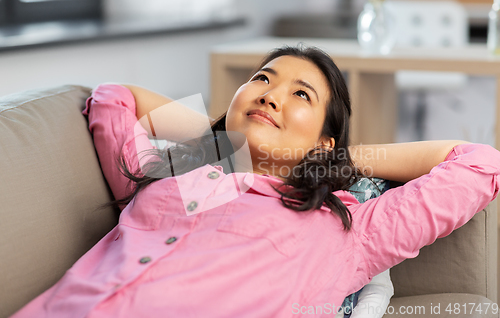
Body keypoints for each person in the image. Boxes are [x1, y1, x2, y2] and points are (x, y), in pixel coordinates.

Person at [10, 45, 500, 318]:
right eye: (263, 79)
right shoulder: (173, 178)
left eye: (301, 94)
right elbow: (112, 98)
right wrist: (223, 137)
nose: (270, 95)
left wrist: (331, 162)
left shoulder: (346, 230)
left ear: (325, 141)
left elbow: (481, 163)